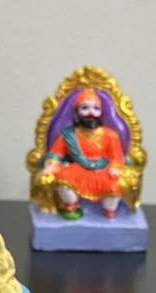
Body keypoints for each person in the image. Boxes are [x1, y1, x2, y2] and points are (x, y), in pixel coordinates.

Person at [39, 89, 137, 219]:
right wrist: (51, 165)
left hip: (103, 170)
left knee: (115, 186)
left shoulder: (110, 135)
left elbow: (117, 157)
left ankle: (109, 212)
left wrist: (115, 168)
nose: (91, 112)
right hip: (77, 170)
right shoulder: (69, 134)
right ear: (77, 112)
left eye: (96, 108)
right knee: (62, 180)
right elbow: (56, 153)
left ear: (101, 112)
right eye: (85, 108)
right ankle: (71, 206)